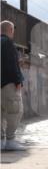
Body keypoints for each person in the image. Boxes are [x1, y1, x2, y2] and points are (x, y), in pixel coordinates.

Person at [1, 20, 25, 151]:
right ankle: (10, 140)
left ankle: (0, 140)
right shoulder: (8, 43)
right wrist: (18, 81)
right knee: (15, 111)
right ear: (10, 30)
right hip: (8, 84)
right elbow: (12, 64)